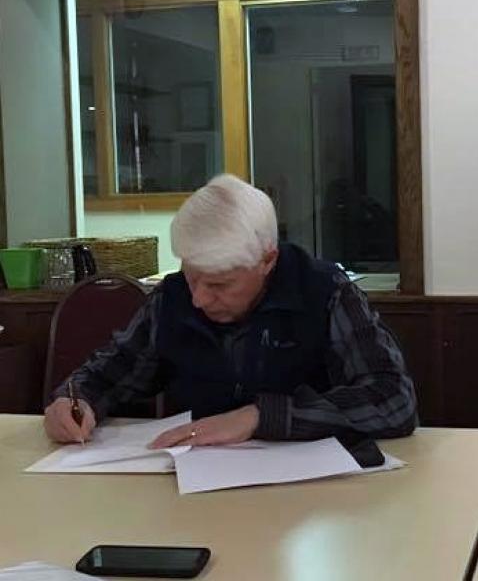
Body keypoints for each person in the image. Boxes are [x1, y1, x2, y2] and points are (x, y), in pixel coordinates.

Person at [44, 174, 417, 448]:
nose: (199, 300)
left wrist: (261, 416)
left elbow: (392, 400)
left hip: (311, 496)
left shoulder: (324, 292)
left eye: (220, 285)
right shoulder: (172, 298)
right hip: (195, 489)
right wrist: (73, 401)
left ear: (267, 260)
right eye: (191, 278)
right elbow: (109, 374)